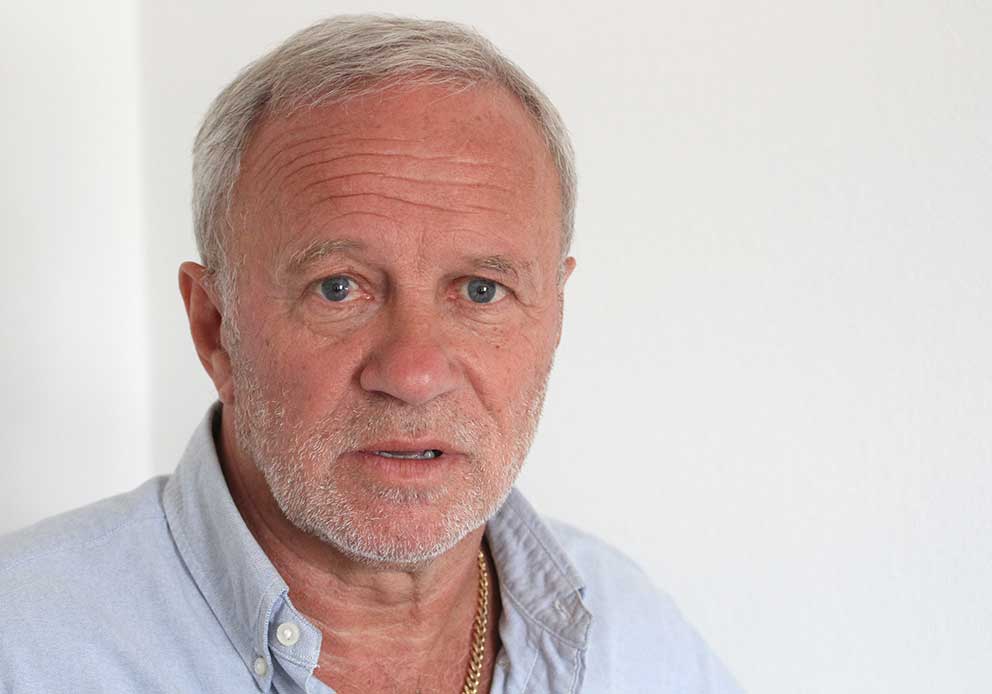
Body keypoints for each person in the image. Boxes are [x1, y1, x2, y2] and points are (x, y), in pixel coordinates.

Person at [0, 15, 741, 694]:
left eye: (481, 290)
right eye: (339, 288)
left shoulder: (636, 641)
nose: (414, 375)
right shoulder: (27, 646)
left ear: (554, 315)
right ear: (214, 327)